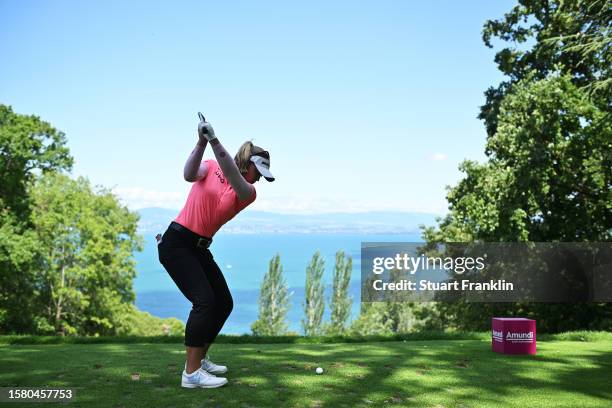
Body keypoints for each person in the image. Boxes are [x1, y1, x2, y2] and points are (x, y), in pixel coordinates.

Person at [157, 117, 274, 388]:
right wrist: (201, 141)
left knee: (224, 302)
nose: (259, 179)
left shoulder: (248, 192)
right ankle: (191, 373)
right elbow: (188, 174)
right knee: (205, 301)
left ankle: (200, 357)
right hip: (176, 243)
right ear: (248, 164)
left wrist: (213, 140)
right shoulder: (209, 166)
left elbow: (231, 174)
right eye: (258, 172)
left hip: (198, 248)